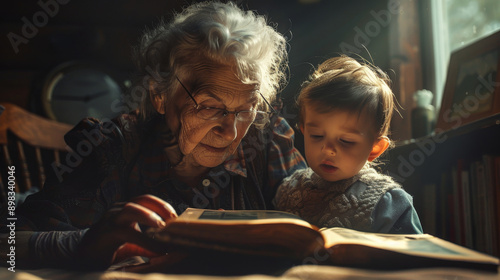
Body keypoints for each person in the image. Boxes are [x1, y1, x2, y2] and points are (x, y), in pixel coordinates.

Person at [2, 1, 306, 270]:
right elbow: (10, 246)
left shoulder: (266, 141)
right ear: (160, 95)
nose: (231, 130)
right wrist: (87, 243)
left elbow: (315, 218)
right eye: (211, 107)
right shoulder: (111, 150)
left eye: (246, 109)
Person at [274, 56, 423, 234]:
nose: (328, 150)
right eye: (317, 135)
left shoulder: (386, 203)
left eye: (346, 141)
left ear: (375, 148)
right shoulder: (288, 190)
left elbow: (413, 257)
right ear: (303, 130)